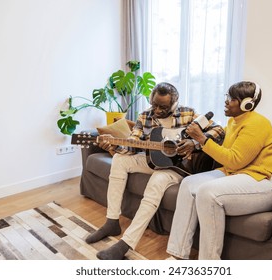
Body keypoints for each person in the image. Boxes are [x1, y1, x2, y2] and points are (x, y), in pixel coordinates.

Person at [85, 82, 225, 260]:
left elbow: (219, 130)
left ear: (174, 104)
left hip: (179, 167)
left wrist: (194, 143)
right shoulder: (145, 116)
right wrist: (114, 144)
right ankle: (112, 221)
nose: (157, 110)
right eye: (155, 105)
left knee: (156, 183)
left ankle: (126, 243)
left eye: (163, 107)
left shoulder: (188, 114)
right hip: (154, 161)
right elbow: (133, 143)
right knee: (119, 159)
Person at [166, 81, 272, 260]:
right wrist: (195, 142)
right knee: (188, 183)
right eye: (227, 96)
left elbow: (234, 160)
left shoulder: (257, 123)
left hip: (265, 180)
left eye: (231, 98)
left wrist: (201, 139)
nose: (226, 101)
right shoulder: (233, 122)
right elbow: (219, 146)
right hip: (237, 173)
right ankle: (177, 254)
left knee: (208, 193)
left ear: (247, 104)